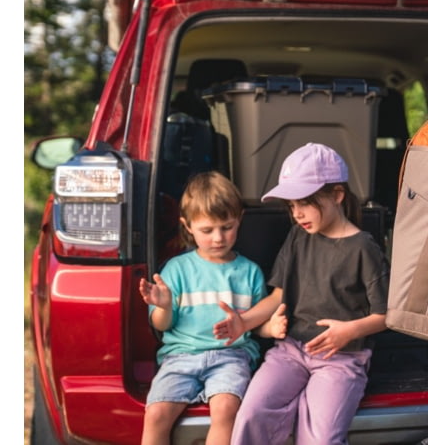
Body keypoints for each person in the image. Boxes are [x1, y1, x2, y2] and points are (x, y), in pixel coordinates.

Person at [212, 142, 390, 445]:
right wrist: (245, 322)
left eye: (304, 203)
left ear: (336, 195)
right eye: (292, 206)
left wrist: (349, 331)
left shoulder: (363, 248)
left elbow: (387, 315)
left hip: (341, 358)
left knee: (320, 439)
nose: (297, 214)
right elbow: (278, 296)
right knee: (250, 416)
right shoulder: (298, 237)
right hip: (291, 352)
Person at [138, 171, 268, 445]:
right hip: (180, 357)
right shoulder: (176, 269)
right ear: (188, 226)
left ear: (239, 219)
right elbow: (162, 326)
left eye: (227, 227)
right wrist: (163, 307)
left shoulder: (250, 272)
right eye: (207, 230)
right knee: (156, 413)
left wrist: (272, 326)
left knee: (225, 410)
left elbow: (257, 324)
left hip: (231, 357)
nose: (218, 238)